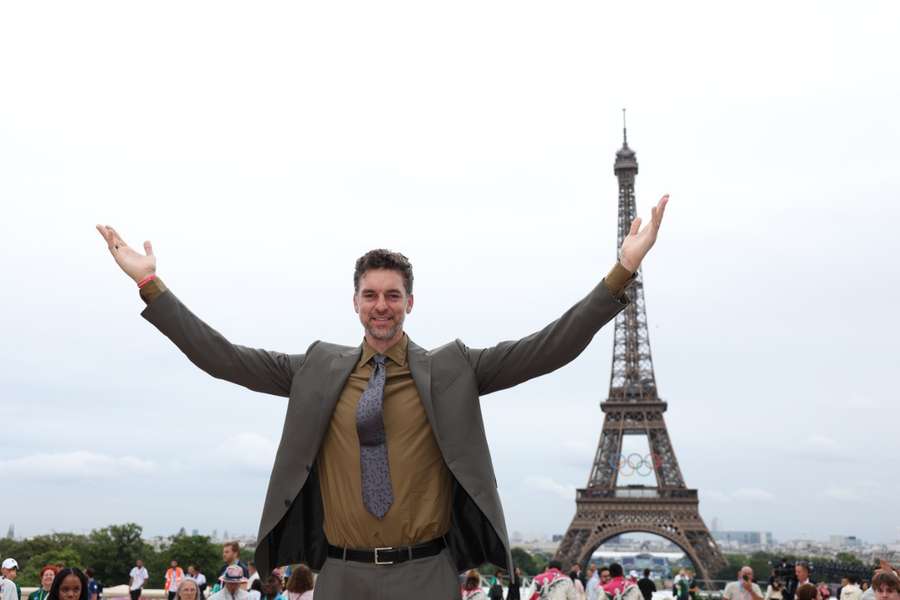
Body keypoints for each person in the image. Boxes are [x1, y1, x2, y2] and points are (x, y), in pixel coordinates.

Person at [96, 196, 667, 600]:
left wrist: (622, 271)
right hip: (339, 576)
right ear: (354, 302)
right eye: (371, 294)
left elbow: (551, 346)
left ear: (410, 303)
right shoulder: (317, 369)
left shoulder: (453, 368)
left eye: (393, 294)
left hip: (426, 575)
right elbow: (220, 356)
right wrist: (150, 284)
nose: (382, 305)